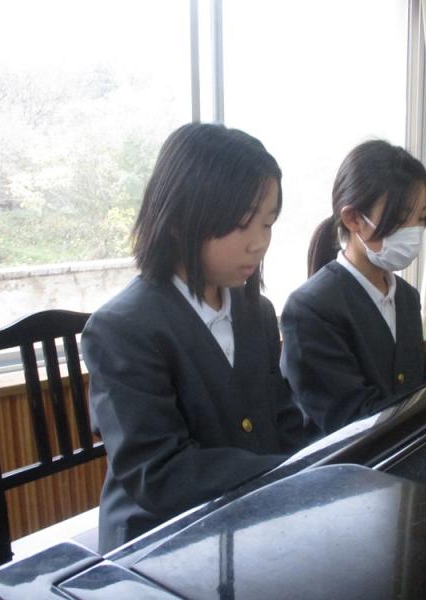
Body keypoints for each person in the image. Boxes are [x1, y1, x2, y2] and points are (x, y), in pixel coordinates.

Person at [82, 122, 306, 552]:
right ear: (180, 222)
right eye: (243, 224)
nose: (259, 243)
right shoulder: (123, 329)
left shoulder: (257, 312)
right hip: (159, 541)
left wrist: (315, 467)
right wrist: (283, 473)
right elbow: (158, 473)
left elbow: (284, 419)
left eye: (268, 223)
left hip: (247, 519)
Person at [280, 140, 426, 435]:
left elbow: (419, 389)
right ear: (353, 219)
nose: (414, 231)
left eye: (421, 217)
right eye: (401, 217)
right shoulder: (310, 308)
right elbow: (349, 421)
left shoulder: (406, 297)